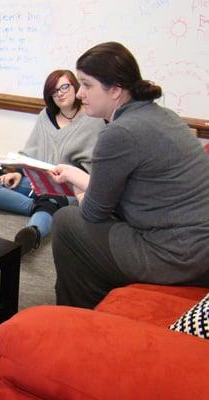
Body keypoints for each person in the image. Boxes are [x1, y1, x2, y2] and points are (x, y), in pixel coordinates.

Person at [50, 42, 209, 309]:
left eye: (87, 85)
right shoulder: (162, 116)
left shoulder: (119, 133)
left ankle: (78, 313)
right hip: (198, 249)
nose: (79, 93)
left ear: (115, 89)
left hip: (178, 256)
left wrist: (80, 194)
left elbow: (93, 213)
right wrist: (82, 182)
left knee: (67, 222)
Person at [0, 70, 104, 254]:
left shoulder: (93, 120)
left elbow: (92, 166)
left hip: (68, 186)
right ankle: (37, 206)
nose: (60, 93)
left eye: (65, 87)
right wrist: (18, 173)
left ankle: (35, 231)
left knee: (54, 199)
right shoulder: (45, 116)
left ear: (75, 87)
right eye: (54, 90)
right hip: (39, 179)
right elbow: (30, 153)